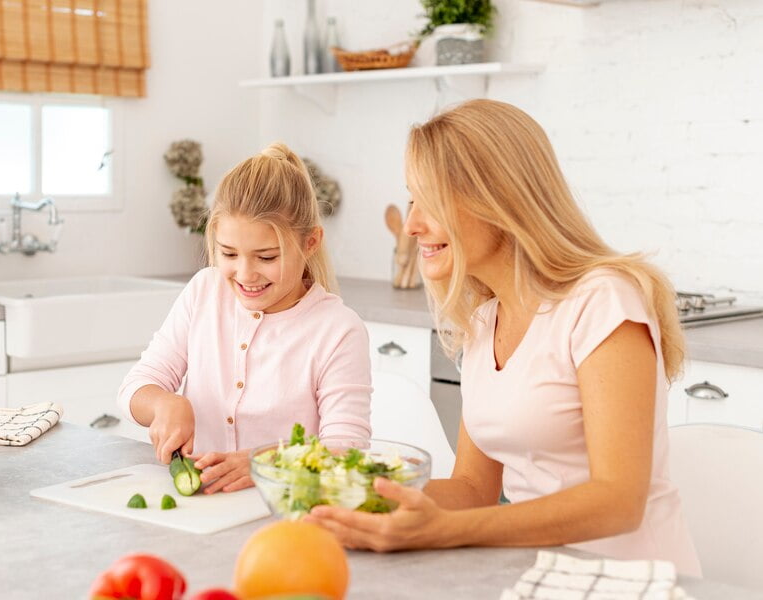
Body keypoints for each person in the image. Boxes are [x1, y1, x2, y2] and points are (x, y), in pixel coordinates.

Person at [305, 100, 701, 575]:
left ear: (500, 199)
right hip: (538, 575)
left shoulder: (601, 302)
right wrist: (354, 495)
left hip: (636, 580)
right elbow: (473, 487)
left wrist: (443, 532)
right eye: (412, 199)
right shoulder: (483, 323)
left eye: (430, 199)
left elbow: (618, 501)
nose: (411, 225)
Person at [117, 142, 371, 495]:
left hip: (286, 511)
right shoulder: (204, 291)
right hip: (200, 508)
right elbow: (135, 387)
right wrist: (163, 403)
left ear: (311, 242)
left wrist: (265, 463)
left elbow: (347, 448)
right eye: (229, 253)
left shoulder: (338, 329)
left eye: (267, 257)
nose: (246, 274)